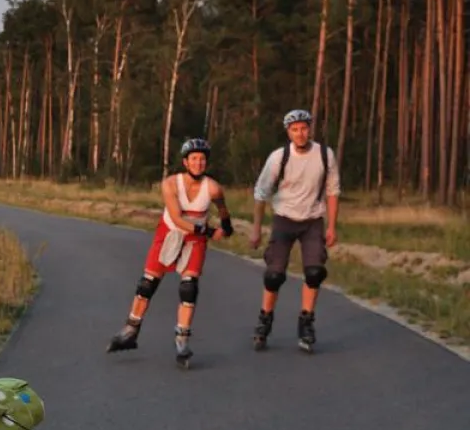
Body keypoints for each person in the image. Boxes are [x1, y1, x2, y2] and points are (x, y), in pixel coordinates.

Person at [107, 138, 233, 368]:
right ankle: (131, 329)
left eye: (202, 159)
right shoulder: (170, 184)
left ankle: (182, 339)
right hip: (169, 234)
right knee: (147, 283)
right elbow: (177, 218)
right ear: (185, 162)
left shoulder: (213, 188)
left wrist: (227, 226)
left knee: (189, 287)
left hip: (194, 240)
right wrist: (209, 230)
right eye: (193, 159)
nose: (198, 163)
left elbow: (223, 209)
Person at [249, 108, 340, 353]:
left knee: (314, 272)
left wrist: (331, 226)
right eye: (295, 129)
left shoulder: (324, 154)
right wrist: (256, 230)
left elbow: (333, 191)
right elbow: (261, 193)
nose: (300, 134)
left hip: (312, 220)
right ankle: (264, 321)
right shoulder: (279, 157)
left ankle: (306, 323)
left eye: (304, 128)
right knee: (274, 275)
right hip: (284, 219)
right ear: (288, 132)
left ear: (310, 129)